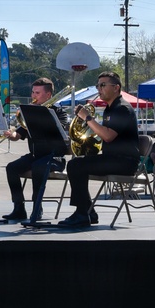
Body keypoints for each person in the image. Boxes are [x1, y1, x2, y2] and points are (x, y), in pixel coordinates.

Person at [58, 72, 140, 228]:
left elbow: (108, 136)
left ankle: (83, 213)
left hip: (124, 162)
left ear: (116, 88)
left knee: (76, 165)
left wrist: (88, 118)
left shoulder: (122, 108)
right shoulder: (110, 108)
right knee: (76, 163)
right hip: (113, 158)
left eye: (103, 85)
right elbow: (102, 135)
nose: (99, 89)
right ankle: (88, 211)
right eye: (98, 85)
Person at [2, 77, 69, 221]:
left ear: (48, 95)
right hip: (36, 156)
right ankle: (19, 208)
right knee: (11, 168)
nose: (33, 96)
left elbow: (61, 133)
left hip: (54, 157)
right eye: (33, 92)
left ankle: (37, 208)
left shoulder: (60, 113)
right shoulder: (30, 113)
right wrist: (10, 134)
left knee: (39, 167)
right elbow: (18, 134)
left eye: (37, 93)